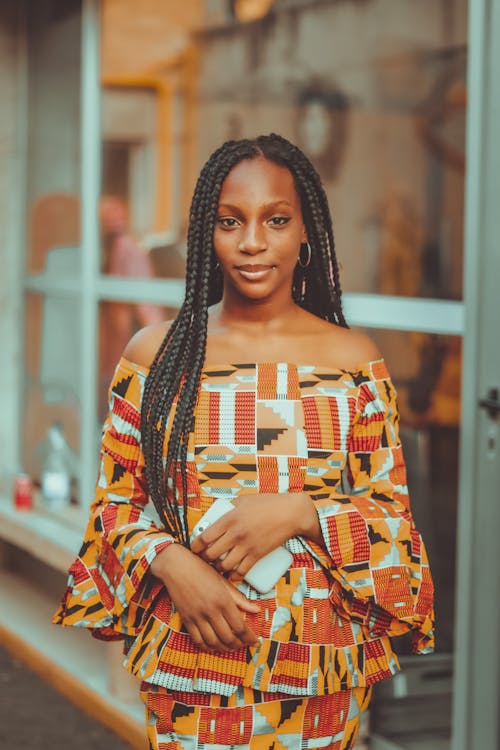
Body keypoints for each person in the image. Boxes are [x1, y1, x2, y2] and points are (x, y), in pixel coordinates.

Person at [54, 134, 434, 750]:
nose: (253, 242)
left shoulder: (354, 362)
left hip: (320, 673)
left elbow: (392, 524)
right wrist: (172, 564)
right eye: (230, 222)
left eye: (276, 220)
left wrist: (301, 512)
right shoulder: (156, 357)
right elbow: (115, 508)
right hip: (190, 661)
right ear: (207, 232)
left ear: (305, 230)